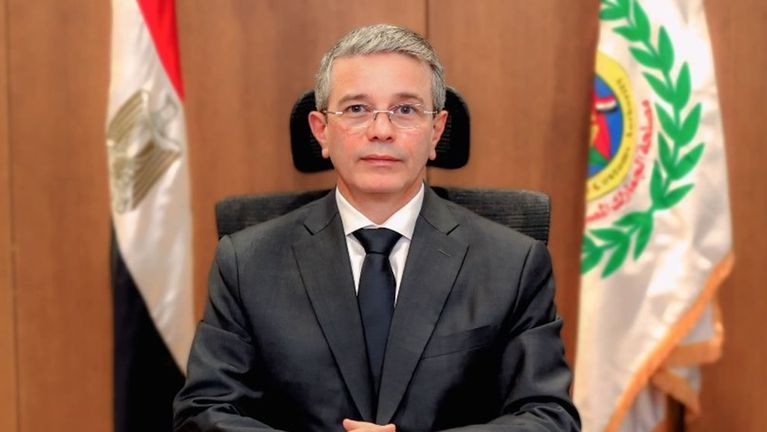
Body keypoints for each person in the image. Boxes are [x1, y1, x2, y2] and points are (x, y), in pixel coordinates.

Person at [173, 24, 580, 432]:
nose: (381, 131)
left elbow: (549, 417)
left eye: (405, 110)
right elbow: (204, 412)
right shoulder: (247, 263)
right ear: (321, 131)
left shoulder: (513, 263)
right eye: (356, 109)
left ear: (436, 131)